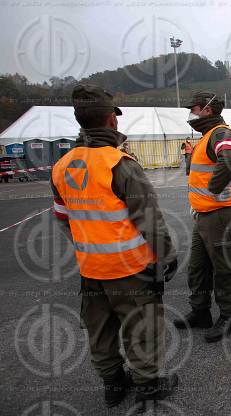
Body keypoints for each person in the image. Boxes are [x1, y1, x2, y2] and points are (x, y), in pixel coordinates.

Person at [50, 84, 179, 408]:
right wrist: (167, 255)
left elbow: (63, 217)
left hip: (91, 269)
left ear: (81, 121)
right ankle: (148, 386)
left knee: (100, 330)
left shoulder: (62, 166)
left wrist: (89, 244)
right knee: (142, 327)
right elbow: (148, 218)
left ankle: (113, 385)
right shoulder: (120, 164)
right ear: (111, 120)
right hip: (131, 269)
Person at [174, 91, 231, 344]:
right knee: (198, 267)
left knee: (225, 268)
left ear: (207, 109)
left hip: (222, 213)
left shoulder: (220, 133)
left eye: (193, 108)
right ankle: (200, 311)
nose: (190, 113)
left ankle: (229, 315)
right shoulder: (208, 135)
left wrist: (212, 190)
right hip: (206, 214)